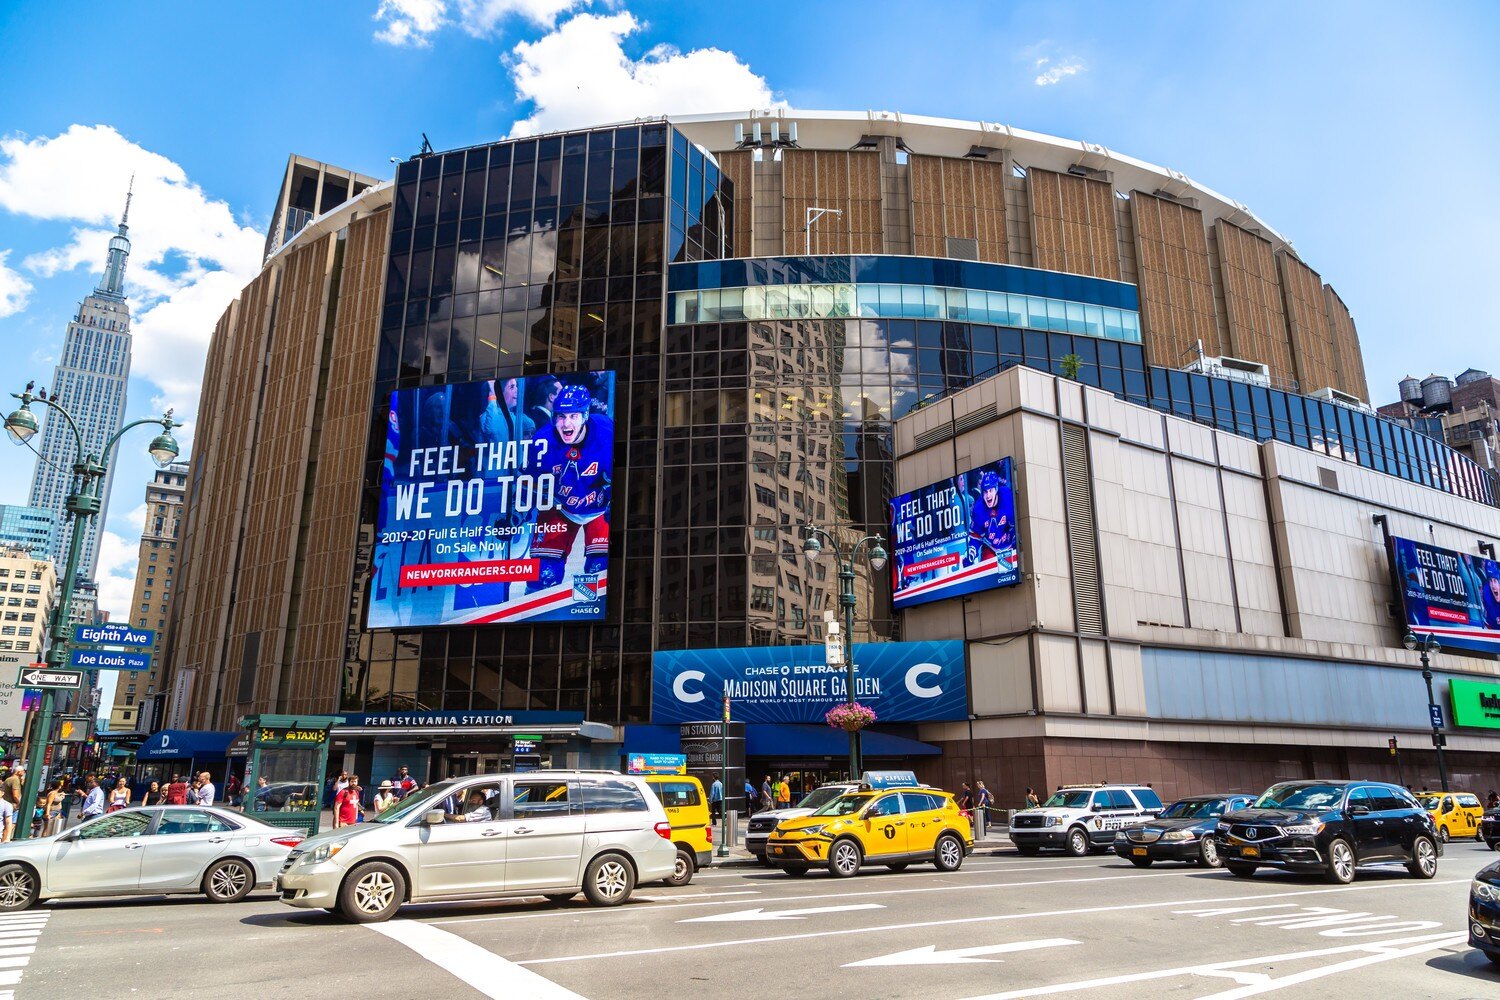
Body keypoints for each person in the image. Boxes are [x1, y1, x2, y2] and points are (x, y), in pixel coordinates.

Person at [524, 383, 612, 596]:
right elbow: (530, 483)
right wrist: (519, 512)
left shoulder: (606, 433)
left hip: (599, 507)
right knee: (542, 576)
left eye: (573, 416)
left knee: (599, 570)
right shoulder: (543, 441)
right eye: (561, 416)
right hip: (560, 505)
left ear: (585, 415)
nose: (566, 423)